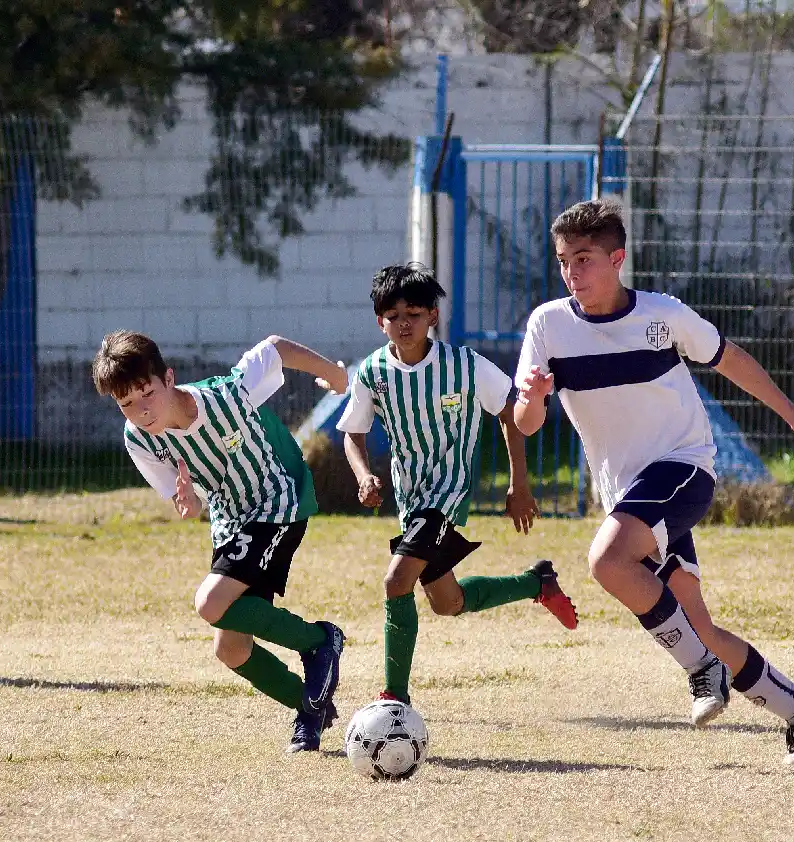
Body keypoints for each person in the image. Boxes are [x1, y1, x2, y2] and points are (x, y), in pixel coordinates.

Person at [515, 199, 794, 769]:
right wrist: (536, 397)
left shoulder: (663, 315)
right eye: (564, 261)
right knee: (697, 623)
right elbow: (525, 422)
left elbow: (730, 359)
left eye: (585, 259)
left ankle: (700, 671)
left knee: (607, 561)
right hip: (625, 494)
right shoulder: (548, 324)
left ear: (617, 259)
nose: (572, 273)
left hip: (684, 468)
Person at [92, 330, 348, 753]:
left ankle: (320, 641)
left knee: (210, 603)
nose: (141, 411)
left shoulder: (228, 394)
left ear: (168, 378)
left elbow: (276, 348)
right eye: (126, 404)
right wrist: (190, 504)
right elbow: (187, 500)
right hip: (232, 522)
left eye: (146, 394)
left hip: (276, 503)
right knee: (231, 650)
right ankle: (310, 707)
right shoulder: (138, 439)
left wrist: (335, 377)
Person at [336, 263, 578, 706]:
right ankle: (535, 583)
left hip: (448, 497)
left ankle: (394, 698)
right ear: (380, 321)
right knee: (447, 603)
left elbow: (510, 413)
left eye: (414, 312)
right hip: (411, 501)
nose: (403, 323)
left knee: (396, 582)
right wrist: (364, 475)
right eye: (393, 315)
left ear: (433, 316)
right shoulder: (372, 372)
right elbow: (353, 432)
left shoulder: (464, 366)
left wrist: (518, 485)